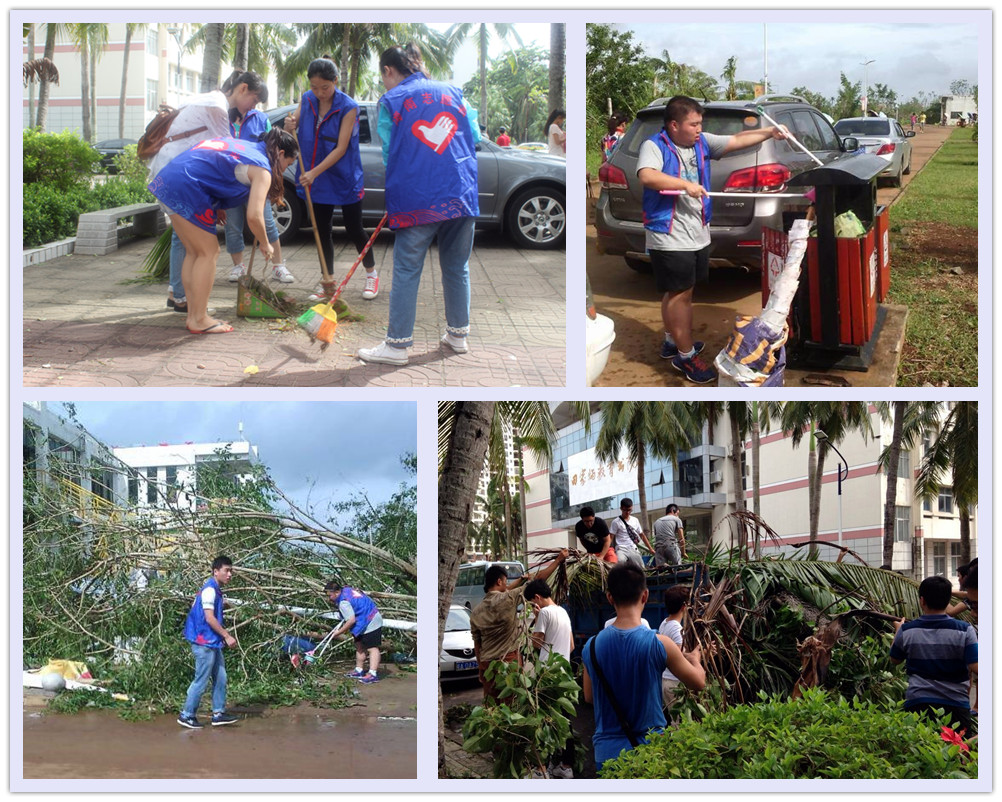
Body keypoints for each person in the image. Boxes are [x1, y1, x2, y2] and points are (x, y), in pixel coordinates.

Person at [638, 95, 790, 383]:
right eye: (693, 124)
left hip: (696, 232)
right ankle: (685, 357)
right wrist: (685, 185)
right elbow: (647, 176)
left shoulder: (701, 142)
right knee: (680, 295)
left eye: (700, 123)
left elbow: (736, 140)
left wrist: (770, 132)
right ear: (673, 125)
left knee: (679, 291)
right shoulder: (654, 146)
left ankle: (672, 342)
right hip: (669, 234)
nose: (698, 128)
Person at [357, 43, 480, 366]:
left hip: (418, 196)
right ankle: (458, 336)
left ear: (388, 70)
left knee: (407, 268)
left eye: (382, 76)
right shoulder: (455, 92)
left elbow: (388, 152)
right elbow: (475, 135)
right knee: (457, 266)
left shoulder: (393, 100)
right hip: (461, 193)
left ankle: (397, 346)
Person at [148, 129, 299, 334]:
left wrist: (218, 205)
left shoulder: (244, 147)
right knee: (209, 252)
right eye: (288, 164)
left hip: (168, 179)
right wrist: (265, 243)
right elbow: (254, 217)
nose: (284, 169)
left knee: (194, 252)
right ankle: (199, 319)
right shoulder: (263, 168)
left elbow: (213, 166)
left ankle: (194, 315)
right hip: (185, 186)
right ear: (280, 153)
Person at [147, 70, 268, 315]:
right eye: (253, 100)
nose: (252, 107)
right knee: (205, 249)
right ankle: (191, 306)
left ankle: (179, 295)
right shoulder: (217, 107)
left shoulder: (206, 98)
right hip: (177, 172)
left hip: (168, 169)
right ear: (242, 88)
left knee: (185, 239)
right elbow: (225, 154)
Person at [581, 564, 705, 768]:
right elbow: (698, 682)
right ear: (645, 596)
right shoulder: (660, 643)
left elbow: (589, 697)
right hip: (650, 752)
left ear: (610, 597)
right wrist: (695, 658)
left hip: (607, 755)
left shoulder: (591, 646)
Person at [283, 57, 377, 301]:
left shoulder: (349, 107)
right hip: (317, 179)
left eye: (325, 87)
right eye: (314, 87)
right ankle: (328, 281)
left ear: (335, 81)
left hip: (343, 175)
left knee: (354, 228)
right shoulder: (307, 99)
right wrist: (289, 124)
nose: (320, 93)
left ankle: (372, 274)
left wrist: (314, 172)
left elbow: (341, 148)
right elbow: (292, 126)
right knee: (321, 230)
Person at [469, 550, 568, 704]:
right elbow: (538, 579)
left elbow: (477, 643)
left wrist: (481, 667)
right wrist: (558, 560)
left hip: (487, 663)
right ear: (499, 582)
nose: (508, 585)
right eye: (505, 581)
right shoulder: (509, 598)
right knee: (512, 703)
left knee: (492, 706)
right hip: (508, 661)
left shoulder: (475, 612)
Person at [224, 82, 295, 285]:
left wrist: (287, 130)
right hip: (230, 181)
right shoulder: (222, 118)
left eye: (257, 102)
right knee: (233, 225)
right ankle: (238, 267)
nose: (253, 106)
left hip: (256, 178)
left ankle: (278, 266)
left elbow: (274, 148)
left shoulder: (261, 118)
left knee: (266, 220)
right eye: (253, 100)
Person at [890, 575, 977, 733]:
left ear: (922, 600)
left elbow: (894, 659)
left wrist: (898, 631)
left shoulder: (907, 630)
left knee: (921, 754)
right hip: (956, 704)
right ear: (948, 601)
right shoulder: (965, 630)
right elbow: (975, 665)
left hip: (918, 704)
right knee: (960, 755)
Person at [178, 555, 240, 728]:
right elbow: (210, 618)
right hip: (204, 643)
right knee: (201, 679)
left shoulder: (214, 590)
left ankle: (218, 713)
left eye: (231, 571)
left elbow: (195, 607)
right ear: (216, 571)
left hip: (212, 642)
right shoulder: (210, 590)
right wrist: (227, 636)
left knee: (221, 677)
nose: (230, 575)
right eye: (226, 571)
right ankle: (187, 714)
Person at [525, 577, 575, 779]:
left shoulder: (544, 612)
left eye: (531, 603)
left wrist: (536, 620)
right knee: (565, 720)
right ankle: (566, 766)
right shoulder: (563, 611)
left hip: (547, 674)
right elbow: (571, 646)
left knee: (544, 719)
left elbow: (536, 644)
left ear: (537, 598)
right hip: (564, 672)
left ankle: (542, 769)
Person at [323, 579, 383, 683]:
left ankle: (373, 674)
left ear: (337, 592)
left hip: (371, 619)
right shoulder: (346, 589)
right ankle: (359, 670)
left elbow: (351, 620)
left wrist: (338, 632)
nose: (329, 598)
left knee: (372, 648)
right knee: (359, 645)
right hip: (361, 620)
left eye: (330, 595)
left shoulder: (343, 603)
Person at [657, 585, 689, 709]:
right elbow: (680, 656)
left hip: (666, 680)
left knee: (674, 721)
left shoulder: (665, 623)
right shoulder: (677, 628)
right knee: (680, 724)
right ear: (684, 607)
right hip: (675, 683)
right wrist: (701, 653)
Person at [608, 497, 654, 568]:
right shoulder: (616, 522)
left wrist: (650, 549)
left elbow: (642, 535)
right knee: (619, 564)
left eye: (629, 510)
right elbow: (610, 538)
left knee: (641, 568)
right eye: (625, 510)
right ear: (621, 508)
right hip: (621, 548)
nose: (627, 512)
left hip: (632, 548)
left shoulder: (635, 520)